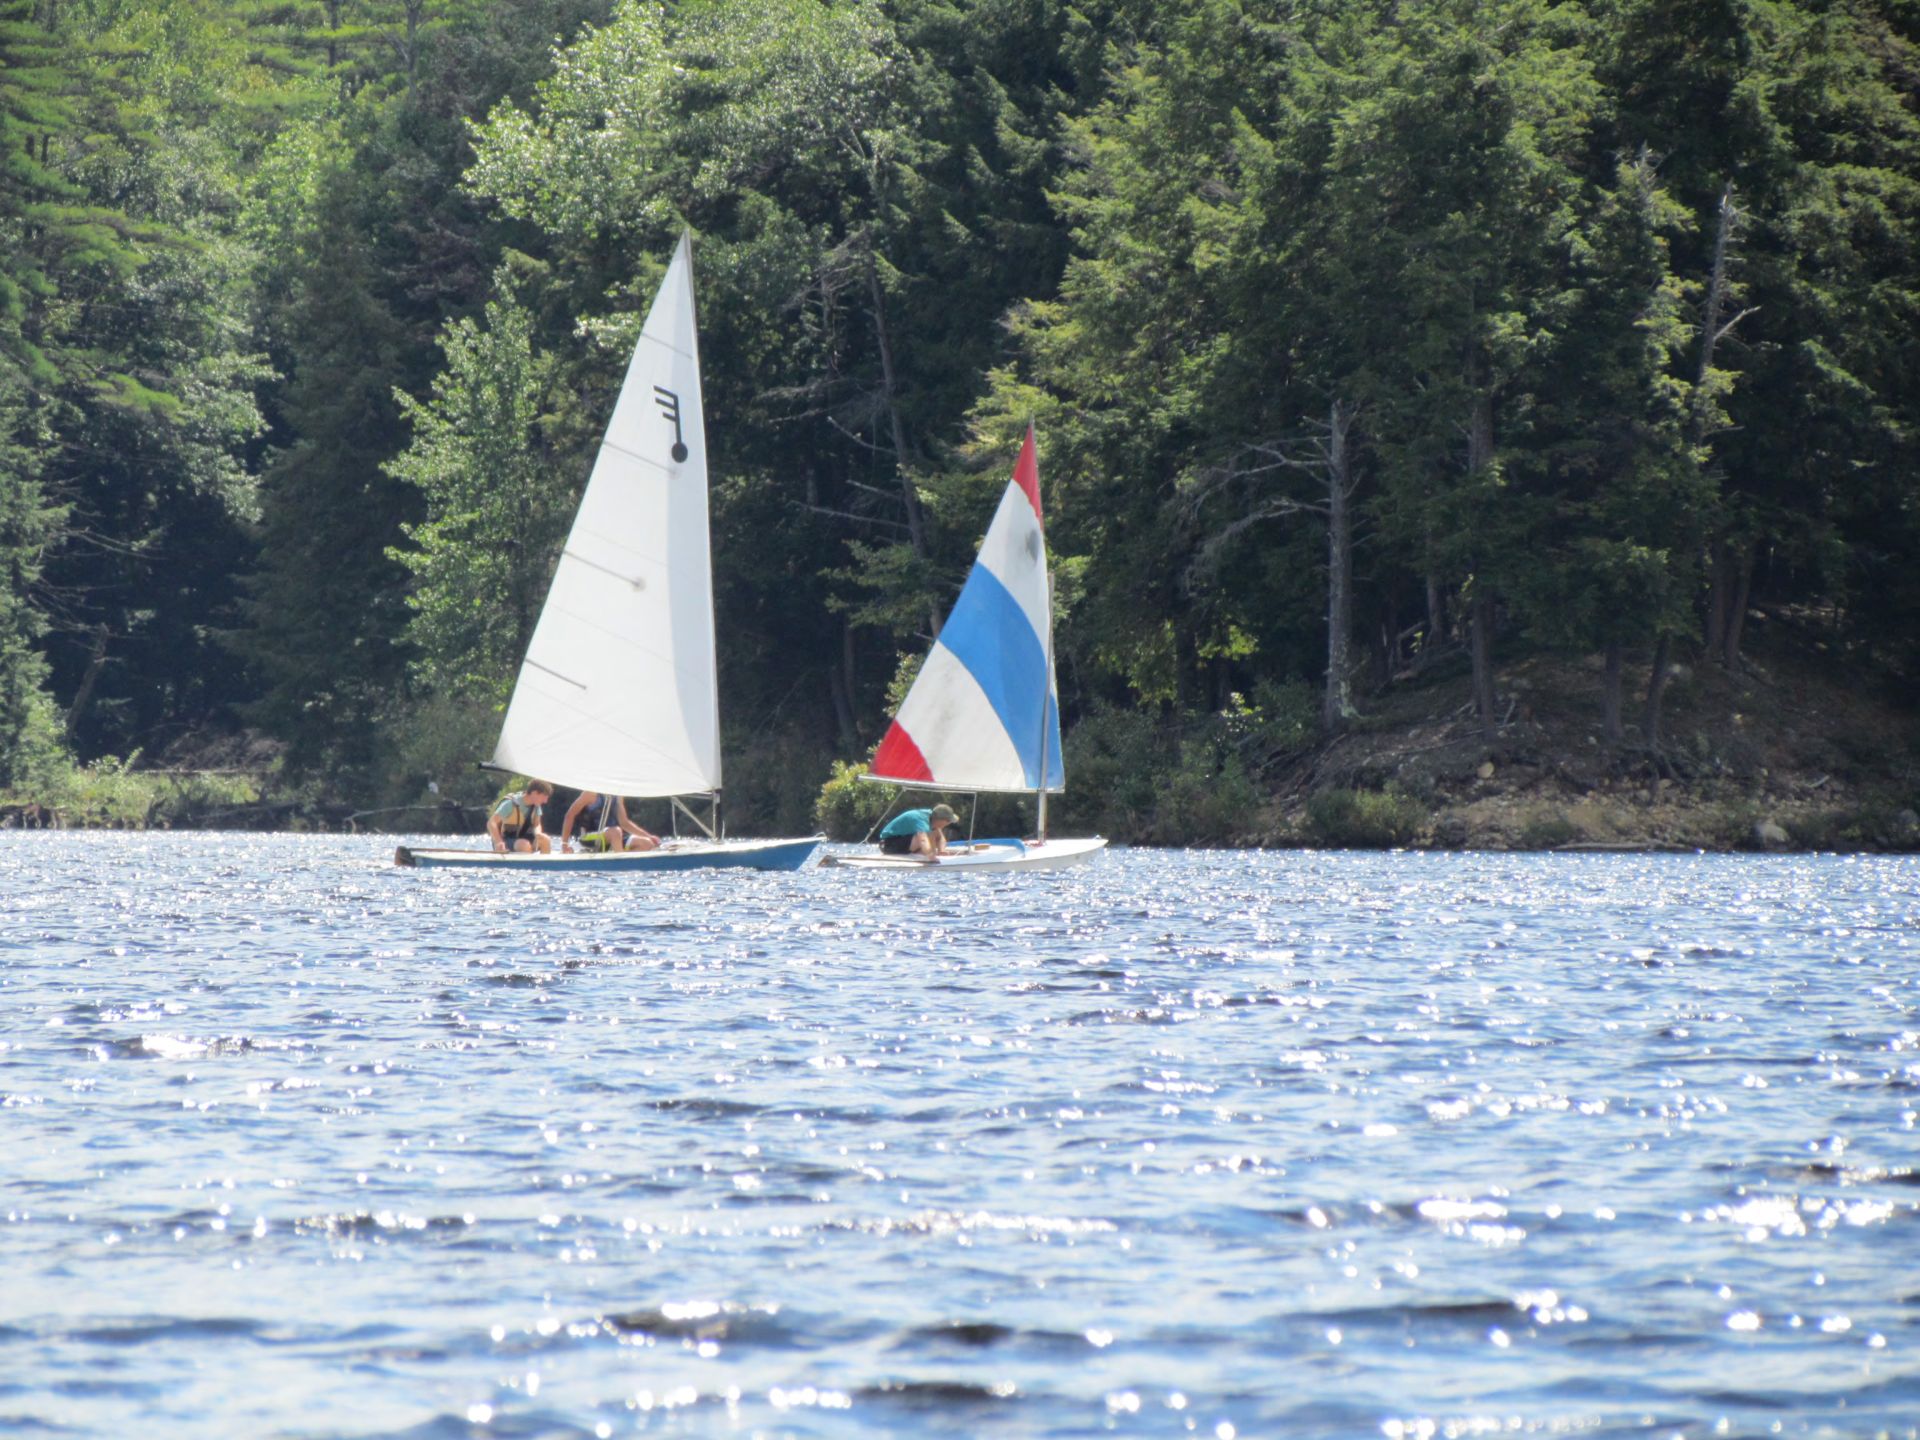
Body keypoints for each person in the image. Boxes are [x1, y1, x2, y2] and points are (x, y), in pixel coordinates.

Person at [559, 790, 661, 853]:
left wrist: (648, 836)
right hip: (589, 836)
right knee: (616, 832)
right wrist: (564, 844)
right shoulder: (590, 793)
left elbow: (624, 823)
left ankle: (620, 856)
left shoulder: (618, 795)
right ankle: (620, 860)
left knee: (647, 844)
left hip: (614, 836)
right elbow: (569, 815)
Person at [876, 803, 979, 861]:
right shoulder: (921, 820)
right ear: (940, 819)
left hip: (902, 840)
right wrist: (932, 857)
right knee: (924, 836)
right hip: (888, 844)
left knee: (933, 833)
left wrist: (942, 851)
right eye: (947, 821)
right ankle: (930, 854)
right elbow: (923, 840)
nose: (948, 824)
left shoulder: (931, 817)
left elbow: (941, 837)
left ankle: (930, 853)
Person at [487, 780, 554, 854]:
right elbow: (491, 823)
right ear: (534, 793)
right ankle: (527, 864)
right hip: (506, 841)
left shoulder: (536, 805)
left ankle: (543, 865)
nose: (545, 801)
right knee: (524, 845)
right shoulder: (510, 804)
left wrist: (538, 834)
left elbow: (537, 824)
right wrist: (498, 842)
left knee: (545, 840)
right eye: (544, 797)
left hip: (525, 839)